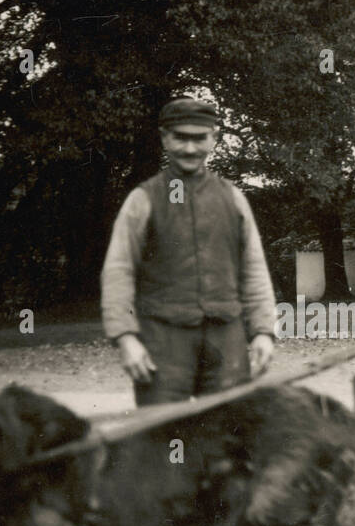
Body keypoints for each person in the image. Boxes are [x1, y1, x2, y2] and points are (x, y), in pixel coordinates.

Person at [100, 97, 277, 406]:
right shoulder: (142, 200)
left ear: (214, 139)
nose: (190, 148)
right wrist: (125, 337)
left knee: (229, 436)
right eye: (181, 137)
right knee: (162, 439)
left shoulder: (233, 198)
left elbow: (254, 269)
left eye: (199, 138)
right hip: (163, 341)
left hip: (226, 340)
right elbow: (119, 271)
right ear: (165, 138)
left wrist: (263, 331)